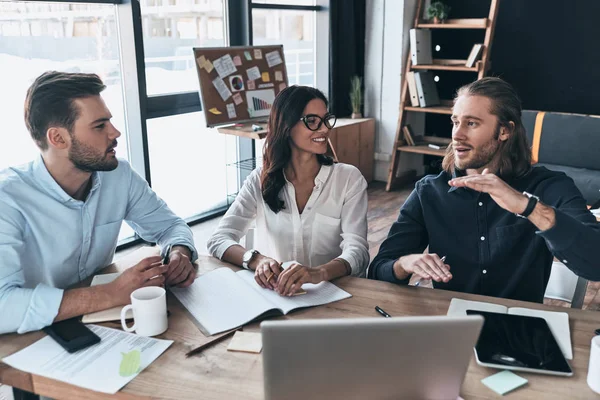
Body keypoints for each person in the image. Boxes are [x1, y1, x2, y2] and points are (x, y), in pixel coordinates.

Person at [369, 77, 600, 303]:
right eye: (455, 122)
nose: (457, 135)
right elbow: (378, 270)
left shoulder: (550, 186)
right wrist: (404, 264)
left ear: (504, 131)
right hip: (450, 329)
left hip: (520, 331)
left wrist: (527, 207)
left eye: (471, 123)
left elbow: (595, 264)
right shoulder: (429, 191)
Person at [0, 71, 198, 334]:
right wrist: (109, 294)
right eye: (99, 126)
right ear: (57, 138)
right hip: (30, 340)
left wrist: (179, 253)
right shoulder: (8, 199)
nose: (115, 132)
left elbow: (170, 226)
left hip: (107, 324)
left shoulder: (118, 176)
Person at [208, 85, 369, 296]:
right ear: (286, 125)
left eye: (326, 119)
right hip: (278, 297)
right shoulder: (260, 179)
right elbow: (219, 239)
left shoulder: (348, 179)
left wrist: (318, 273)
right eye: (311, 121)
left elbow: (358, 252)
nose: (324, 129)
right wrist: (257, 260)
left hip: (334, 296)